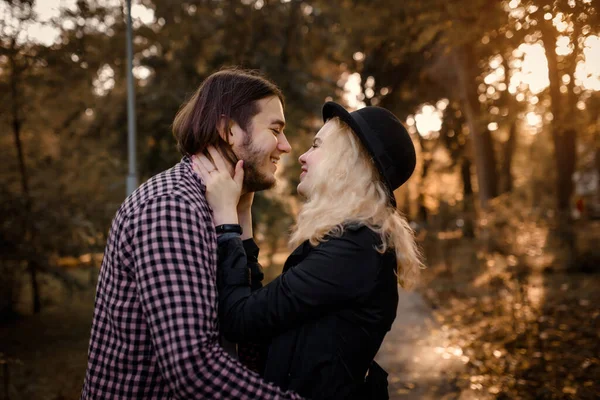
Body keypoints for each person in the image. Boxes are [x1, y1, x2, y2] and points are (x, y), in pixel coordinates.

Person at [80, 68, 304, 399]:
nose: (285, 146)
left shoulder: (216, 205)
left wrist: (241, 217)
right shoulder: (171, 206)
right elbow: (193, 368)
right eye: (275, 130)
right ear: (228, 130)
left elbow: (246, 334)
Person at [193, 101, 424, 399]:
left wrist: (226, 225)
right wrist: (242, 215)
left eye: (317, 146)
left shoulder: (353, 251)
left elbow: (241, 318)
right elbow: (267, 312)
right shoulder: (355, 242)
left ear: (347, 161)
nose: (302, 155)